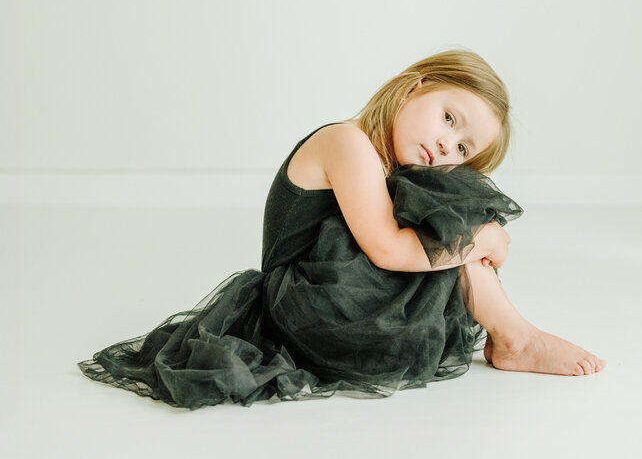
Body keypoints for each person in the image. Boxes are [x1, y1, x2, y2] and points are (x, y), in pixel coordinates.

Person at [78, 49, 605, 410]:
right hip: (304, 305)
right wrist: (480, 240)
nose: (448, 146)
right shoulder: (346, 142)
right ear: (413, 89)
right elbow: (386, 249)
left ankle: (511, 334)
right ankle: (514, 337)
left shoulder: (398, 172)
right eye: (448, 118)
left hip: (337, 296)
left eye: (464, 148)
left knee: (448, 208)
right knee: (449, 226)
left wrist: (463, 233)